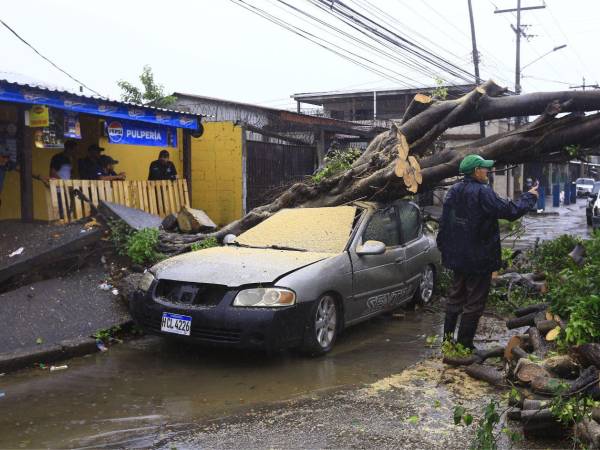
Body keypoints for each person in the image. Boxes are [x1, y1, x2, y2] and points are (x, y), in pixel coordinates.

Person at [436, 154, 539, 351]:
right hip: (479, 258)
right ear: (476, 171)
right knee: (474, 302)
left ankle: (448, 343)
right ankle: (464, 346)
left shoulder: (453, 190)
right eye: (485, 168)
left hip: (457, 257)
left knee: (455, 297)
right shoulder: (483, 192)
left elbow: (445, 224)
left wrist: (445, 250)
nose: (488, 171)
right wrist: (529, 196)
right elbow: (509, 211)